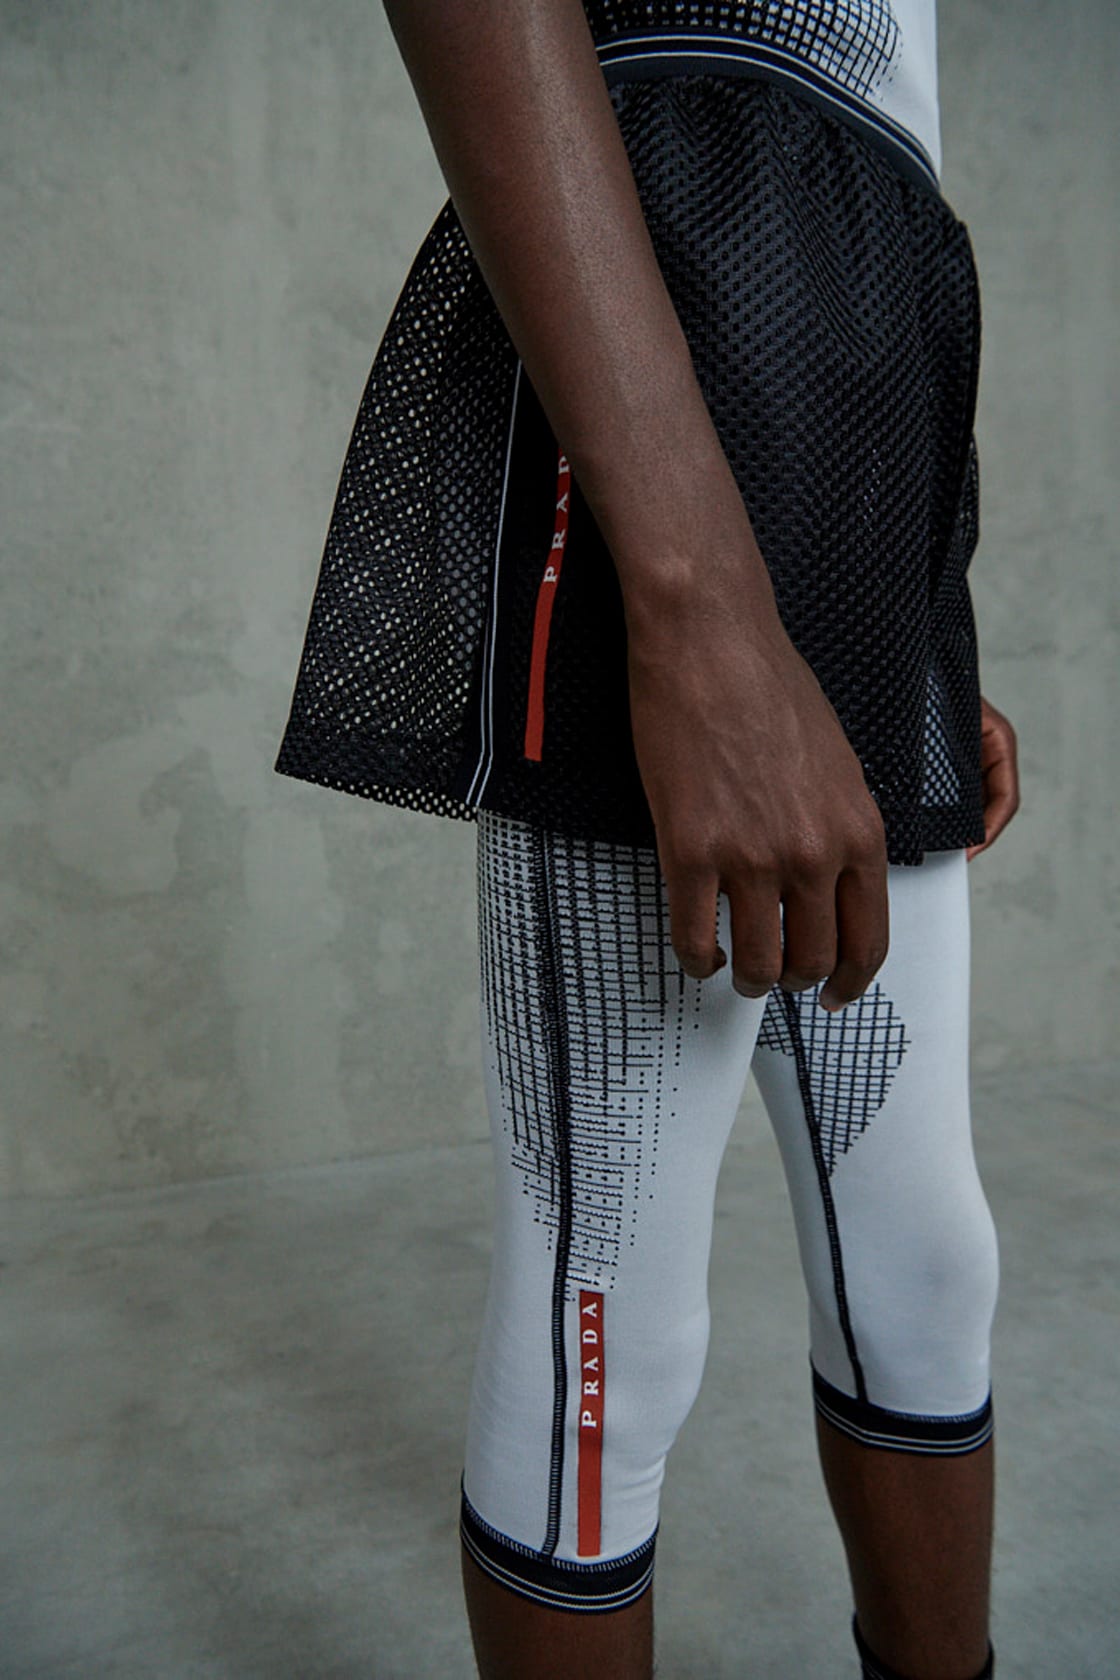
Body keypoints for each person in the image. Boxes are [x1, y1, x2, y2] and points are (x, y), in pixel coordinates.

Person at [274, 4, 1022, 1676]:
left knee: (926, 1260)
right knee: (613, 1300)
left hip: (858, 446)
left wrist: (911, 631)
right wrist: (700, 612)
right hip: (668, 345)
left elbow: (877, 168)